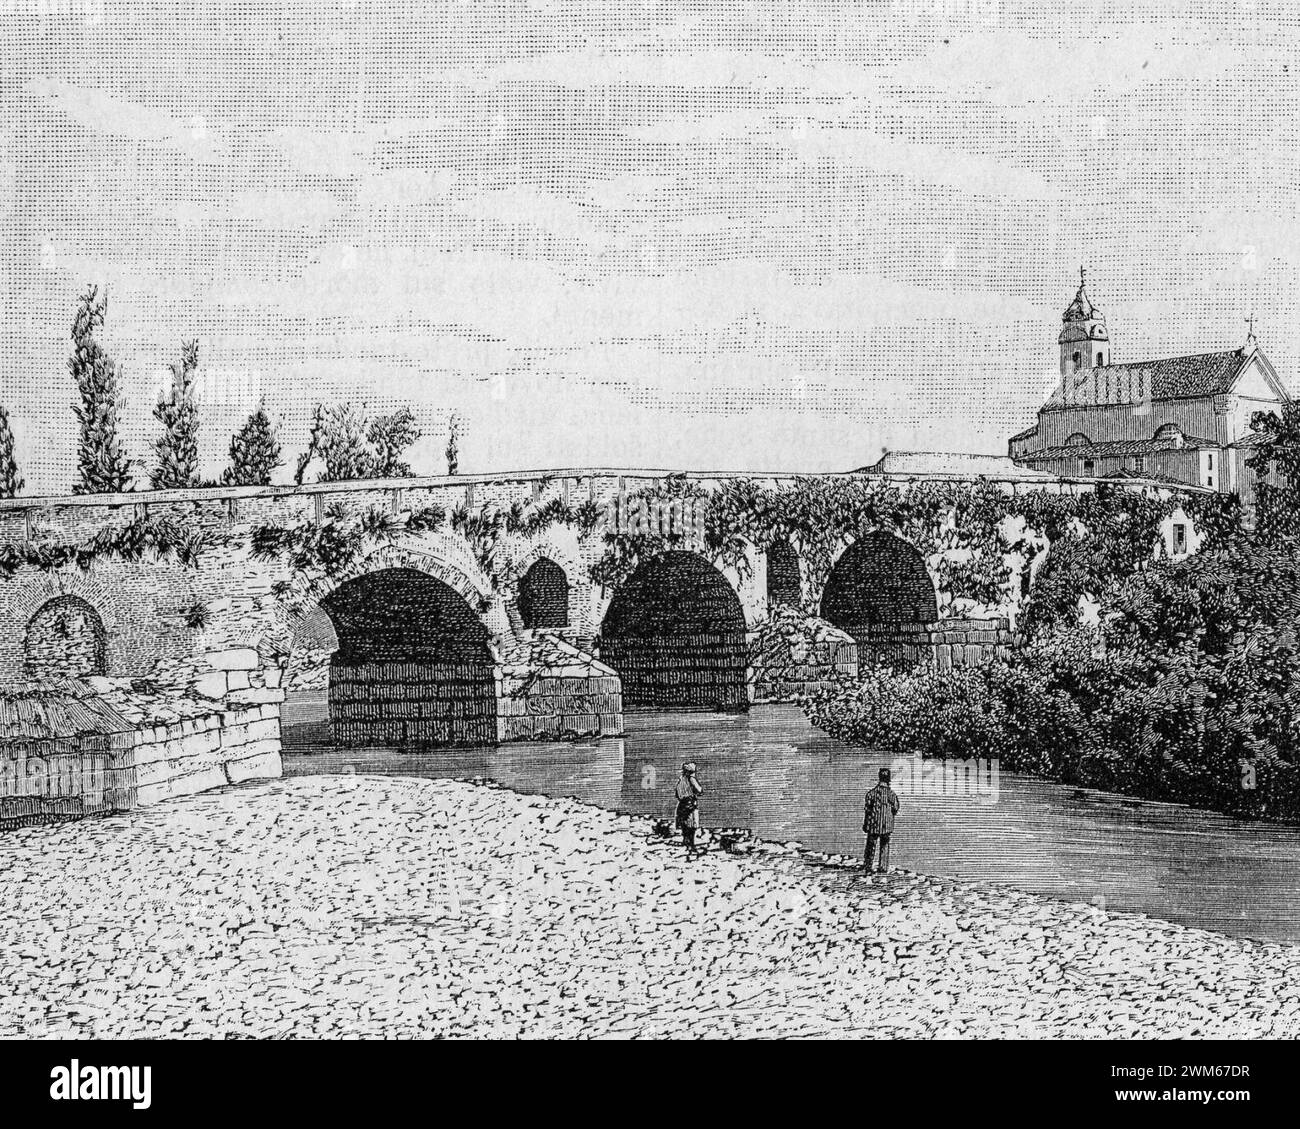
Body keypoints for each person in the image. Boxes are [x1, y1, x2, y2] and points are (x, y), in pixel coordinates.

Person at [862, 767, 900, 874]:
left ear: (879, 778)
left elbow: (867, 809)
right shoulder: (891, 794)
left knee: (870, 845)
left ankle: (868, 865)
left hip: (873, 824)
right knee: (885, 845)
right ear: (888, 779)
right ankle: (883, 867)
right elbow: (896, 808)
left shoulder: (871, 793)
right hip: (886, 825)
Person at [674, 762, 704, 855]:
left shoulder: (681, 780)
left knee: (685, 825)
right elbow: (699, 790)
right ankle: (691, 846)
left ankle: (686, 843)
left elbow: (677, 794)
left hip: (682, 804)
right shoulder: (691, 779)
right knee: (692, 825)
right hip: (690, 804)